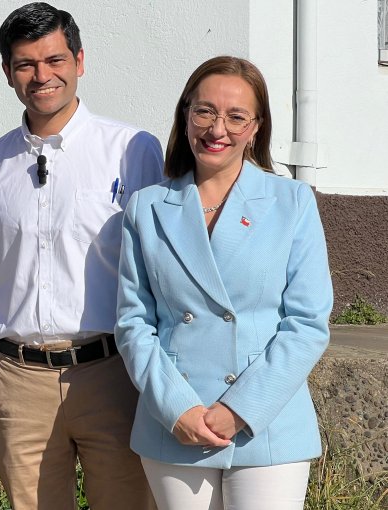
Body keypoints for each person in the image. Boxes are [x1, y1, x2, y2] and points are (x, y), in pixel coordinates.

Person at [0, 3, 162, 509]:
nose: (41, 76)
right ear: (7, 73)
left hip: (112, 374)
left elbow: (159, 273)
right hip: (20, 382)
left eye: (54, 60)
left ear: (79, 61)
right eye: (25, 64)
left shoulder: (132, 150)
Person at [115, 56, 332, 510]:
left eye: (236, 116)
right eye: (205, 111)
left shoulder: (291, 202)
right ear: (185, 114)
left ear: (256, 127)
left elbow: (307, 323)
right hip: (176, 417)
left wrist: (240, 409)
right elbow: (133, 322)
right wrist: (176, 407)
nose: (218, 129)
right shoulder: (147, 207)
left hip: (266, 419)